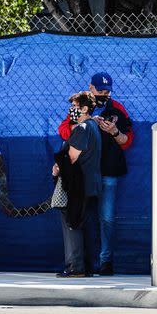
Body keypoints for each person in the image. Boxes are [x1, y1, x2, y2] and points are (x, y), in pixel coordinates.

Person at [57, 72, 133, 276]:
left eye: (107, 91)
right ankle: (83, 263)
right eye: (100, 90)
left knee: (106, 218)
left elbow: (128, 141)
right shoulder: (79, 107)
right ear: (91, 88)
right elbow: (63, 130)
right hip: (84, 171)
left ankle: (105, 261)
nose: (104, 94)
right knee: (82, 215)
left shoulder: (117, 108)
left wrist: (114, 131)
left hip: (108, 170)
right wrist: (84, 124)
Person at [53, 91, 102, 278]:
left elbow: (72, 157)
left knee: (72, 223)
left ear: (85, 108)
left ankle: (75, 267)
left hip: (78, 185)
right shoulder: (94, 127)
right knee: (86, 225)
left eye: (75, 107)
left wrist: (57, 168)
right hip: (90, 184)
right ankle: (87, 266)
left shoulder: (82, 128)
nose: (71, 110)